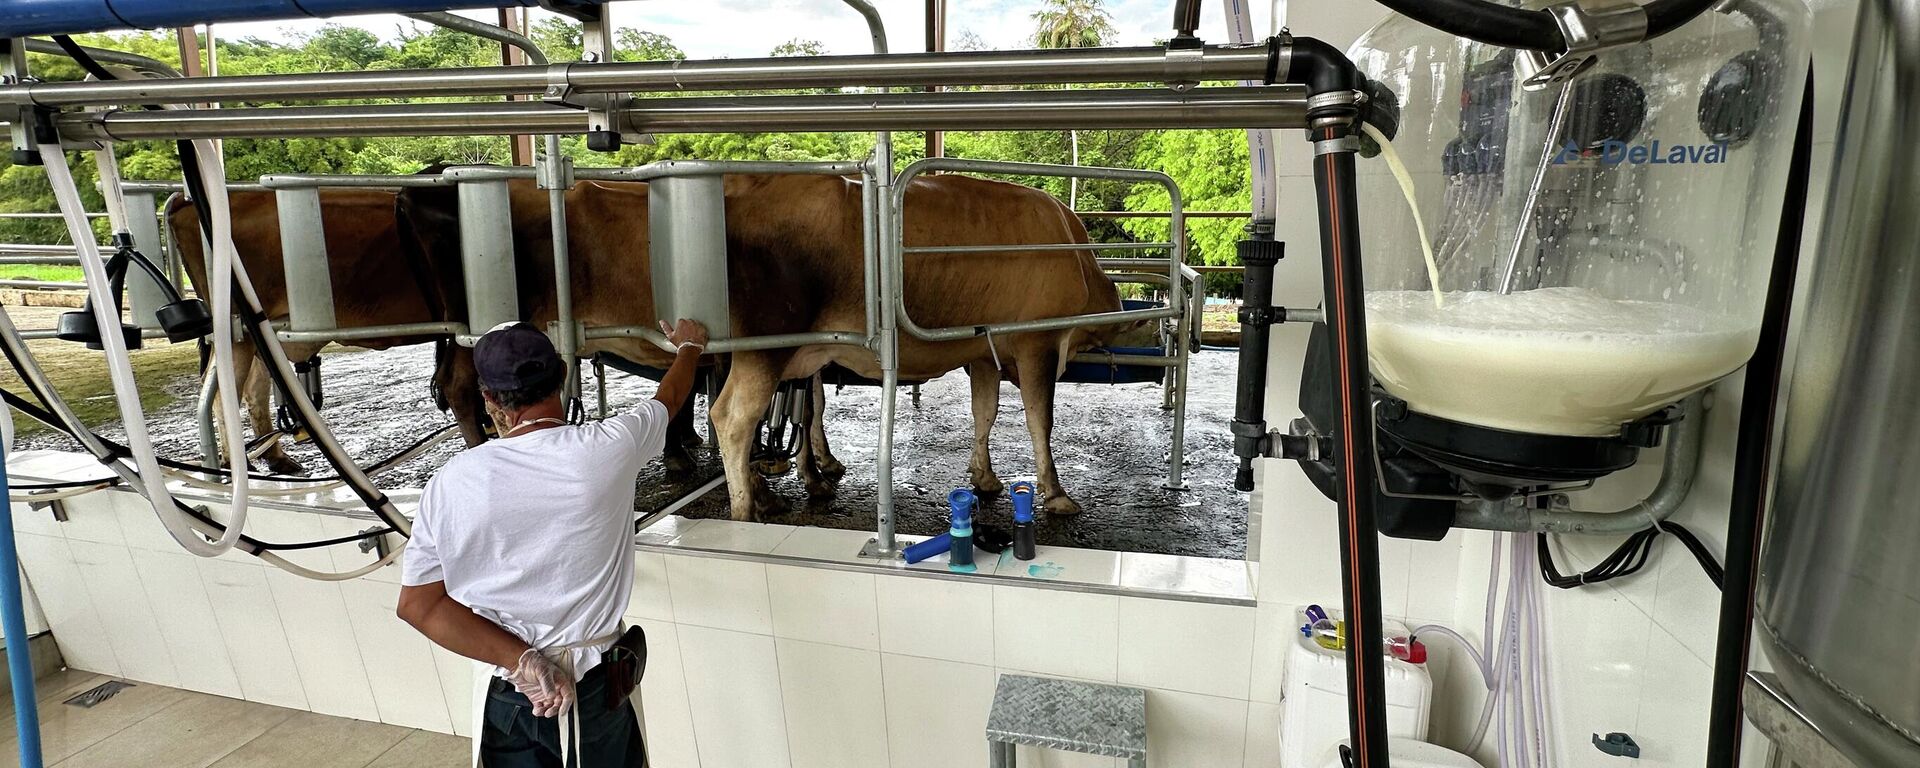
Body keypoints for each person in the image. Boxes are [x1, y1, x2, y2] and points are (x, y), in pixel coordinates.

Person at [398, 318, 709, 767]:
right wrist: (690, 348)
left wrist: (523, 661)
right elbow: (670, 398)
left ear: (489, 399)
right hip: (591, 692)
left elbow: (418, 605)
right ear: (562, 374)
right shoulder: (610, 448)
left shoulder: (451, 482)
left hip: (507, 694)